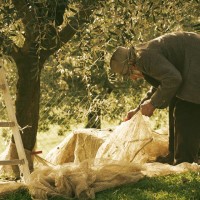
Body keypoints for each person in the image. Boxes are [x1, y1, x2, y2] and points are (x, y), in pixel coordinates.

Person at [110, 31, 200, 165]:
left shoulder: (144, 58)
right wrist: (137, 110)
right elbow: (161, 84)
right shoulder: (142, 55)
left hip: (195, 64)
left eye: (129, 74)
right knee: (175, 101)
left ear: (131, 65)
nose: (133, 78)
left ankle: (184, 162)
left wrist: (152, 104)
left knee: (185, 111)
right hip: (191, 63)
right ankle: (174, 155)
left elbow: (173, 79)